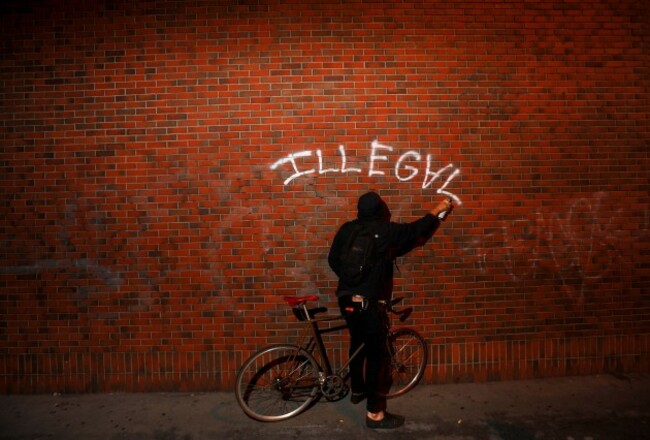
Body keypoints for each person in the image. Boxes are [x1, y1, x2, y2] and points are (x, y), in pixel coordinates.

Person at [328, 191, 452, 429]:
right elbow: (416, 229)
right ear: (379, 210)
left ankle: (357, 389)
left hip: (346, 299)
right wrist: (437, 210)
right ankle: (375, 414)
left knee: (357, 341)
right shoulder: (385, 231)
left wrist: (351, 280)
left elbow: (333, 259)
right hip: (368, 303)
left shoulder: (346, 229)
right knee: (376, 356)